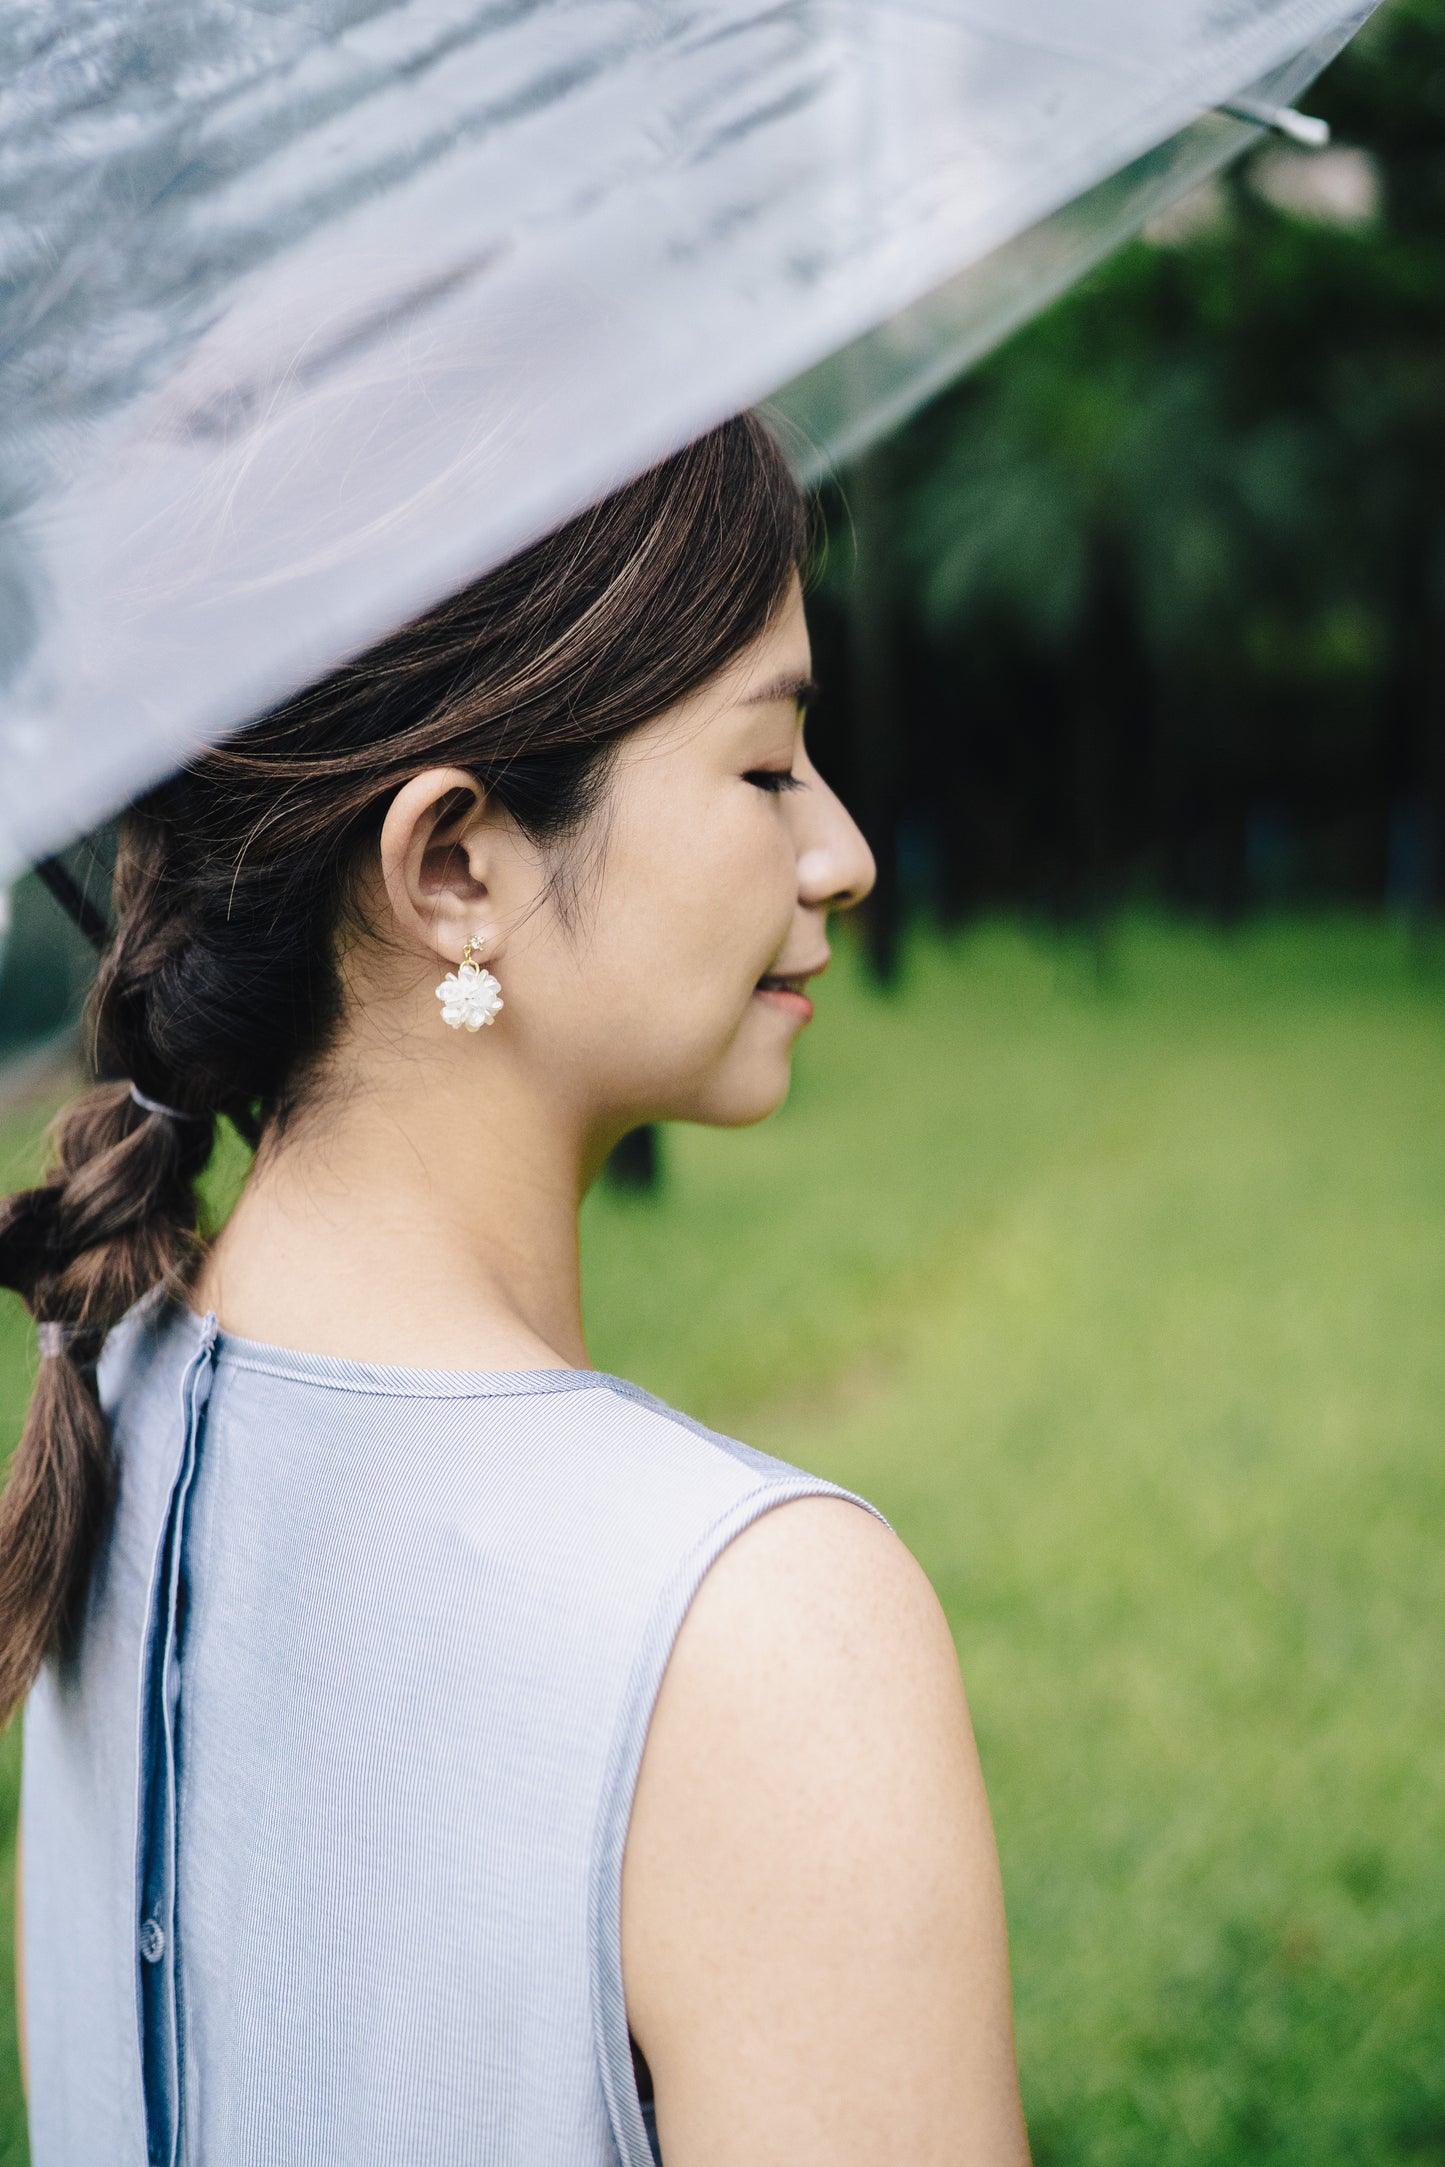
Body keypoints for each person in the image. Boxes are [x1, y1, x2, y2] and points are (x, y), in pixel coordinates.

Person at [0, 416, 1030, 2166]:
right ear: (455, 867)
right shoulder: (759, 1628)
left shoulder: (112, 1398)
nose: (841, 850)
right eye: (766, 768)